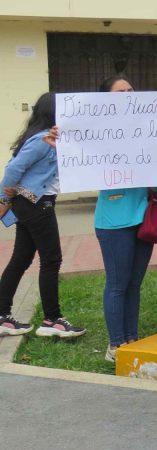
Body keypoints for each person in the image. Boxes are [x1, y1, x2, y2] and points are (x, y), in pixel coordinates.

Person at [0, 93, 83, 339]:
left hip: (31, 204)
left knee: (21, 259)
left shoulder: (54, 138)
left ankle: (2, 316)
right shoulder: (43, 139)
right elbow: (13, 169)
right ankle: (52, 320)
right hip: (36, 204)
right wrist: (4, 198)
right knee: (51, 259)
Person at [93, 76, 154, 360]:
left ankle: (132, 337)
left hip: (143, 216)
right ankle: (116, 345)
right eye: (121, 92)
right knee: (118, 283)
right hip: (114, 221)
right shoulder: (95, 130)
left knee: (134, 283)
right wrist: (59, 138)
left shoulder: (147, 126)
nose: (129, 94)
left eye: (131, 89)